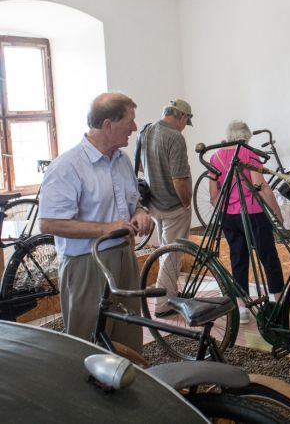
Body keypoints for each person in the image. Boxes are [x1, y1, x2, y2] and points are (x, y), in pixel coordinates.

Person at [39, 92, 152, 353]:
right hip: (87, 265)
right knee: (88, 345)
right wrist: (106, 229)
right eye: (129, 121)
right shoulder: (67, 166)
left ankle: (126, 390)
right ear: (108, 125)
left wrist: (140, 212)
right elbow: (49, 224)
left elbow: (132, 201)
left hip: (124, 257)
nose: (134, 128)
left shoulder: (122, 160)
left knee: (128, 339)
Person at [208, 120, 285, 324]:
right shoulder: (249, 153)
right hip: (254, 214)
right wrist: (277, 213)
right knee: (269, 258)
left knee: (238, 259)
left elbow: (213, 194)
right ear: (246, 137)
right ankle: (279, 304)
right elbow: (262, 187)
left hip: (229, 217)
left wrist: (225, 210)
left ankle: (242, 308)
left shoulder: (215, 157)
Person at [139, 99, 193, 317]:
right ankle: (163, 305)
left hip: (153, 203)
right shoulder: (175, 137)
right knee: (173, 255)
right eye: (186, 122)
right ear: (182, 116)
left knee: (164, 250)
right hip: (173, 206)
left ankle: (170, 293)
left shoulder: (146, 131)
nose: (184, 127)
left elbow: (141, 164)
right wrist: (186, 201)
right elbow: (179, 178)